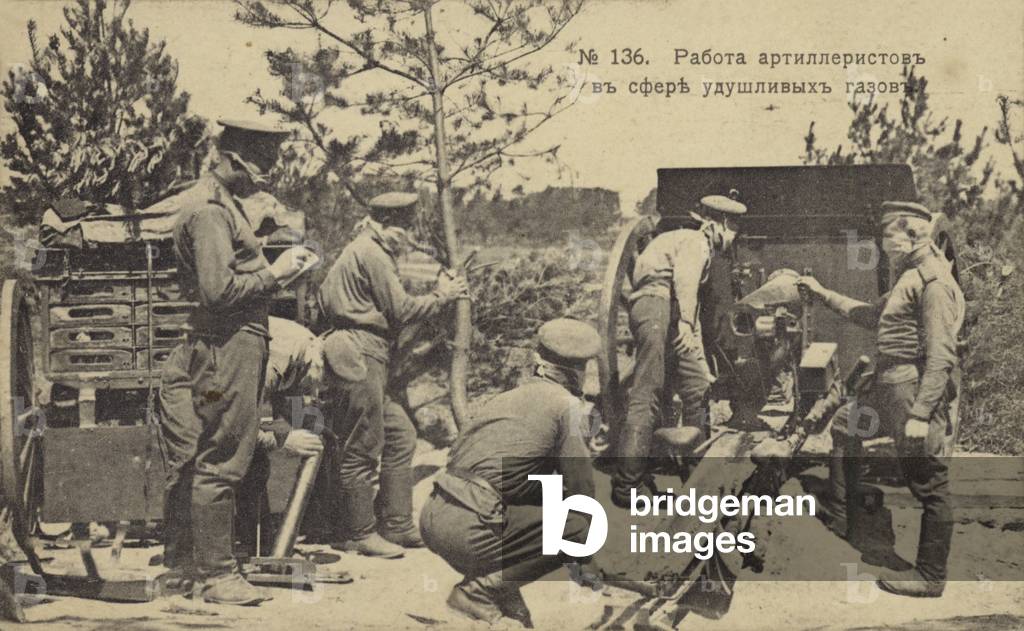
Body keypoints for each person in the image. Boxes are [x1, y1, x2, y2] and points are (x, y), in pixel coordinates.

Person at [158, 119, 314, 606]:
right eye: (254, 167)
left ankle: (195, 569)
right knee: (224, 459)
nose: (260, 178)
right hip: (229, 342)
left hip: (235, 340)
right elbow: (217, 291)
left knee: (215, 456)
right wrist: (277, 273)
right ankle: (218, 576)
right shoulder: (209, 213)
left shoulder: (223, 209)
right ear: (228, 160)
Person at [798, 201, 965, 598]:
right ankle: (843, 521)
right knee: (844, 426)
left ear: (912, 234)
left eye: (888, 234)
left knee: (928, 480)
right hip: (886, 389)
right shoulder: (909, 277)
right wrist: (822, 293)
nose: (883, 242)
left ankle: (929, 576)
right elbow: (870, 315)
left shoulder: (933, 282)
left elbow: (942, 355)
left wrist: (921, 413)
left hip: (908, 390)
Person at [419, 318, 601, 627]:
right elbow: (582, 491)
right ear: (578, 371)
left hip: (433, 517)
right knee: (582, 527)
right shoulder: (566, 406)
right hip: (472, 530)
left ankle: (498, 594)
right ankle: (479, 592)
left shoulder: (506, 397)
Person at [317, 192, 468, 558]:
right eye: (400, 225)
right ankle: (358, 532)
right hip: (358, 350)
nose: (404, 234)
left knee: (400, 434)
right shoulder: (370, 252)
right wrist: (443, 295)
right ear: (384, 222)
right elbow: (400, 309)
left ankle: (396, 523)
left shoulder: (368, 250)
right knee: (362, 445)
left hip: (368, 350)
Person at [610, 193, 747, 508]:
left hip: (669, 311)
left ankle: (698, 474)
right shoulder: (694, 242)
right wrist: (684, 322)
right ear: (716, 224)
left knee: (698, 387)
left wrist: (699, 362)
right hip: (656, 306)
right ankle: (626, 487)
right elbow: (685, 283)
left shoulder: (695, 245)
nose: (734, 235)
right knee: (647, 391)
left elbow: (693, 313)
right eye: (732, 227)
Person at [236, 316, 327, 557]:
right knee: (252, 462)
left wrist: (312, 428)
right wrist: (283, 440)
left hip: (240, 400)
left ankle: (262, 543)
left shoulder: (308, 352)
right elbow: (238, 427)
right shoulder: (274, 363)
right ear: (319, 364)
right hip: (211, 406)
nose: (319, 392)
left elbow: (299, 396)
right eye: (324, 384)